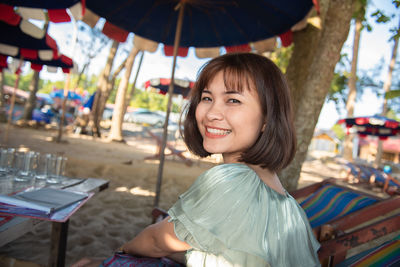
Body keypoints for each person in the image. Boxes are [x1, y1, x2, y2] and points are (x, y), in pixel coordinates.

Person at [73, 53, 320, 267]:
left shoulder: (234, 180)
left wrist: (121, 252)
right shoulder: (283, 199)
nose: (212, 113)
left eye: (233, 100)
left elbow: (157, 241)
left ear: (267, 119)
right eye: (207, 98)